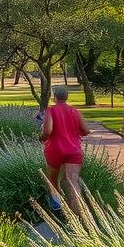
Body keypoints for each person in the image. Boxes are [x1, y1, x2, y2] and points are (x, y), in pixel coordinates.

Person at [41, 84, 89, 216]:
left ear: (54, 97)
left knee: (53, 178)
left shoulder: (51, 110)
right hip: (73, 151)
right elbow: (86, 131)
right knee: (73, 180)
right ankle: (78, 216)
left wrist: (41, 137)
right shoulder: (75, 111)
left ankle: (57, 205)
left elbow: (48, 131)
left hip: (55, 149)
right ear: (67, 97)